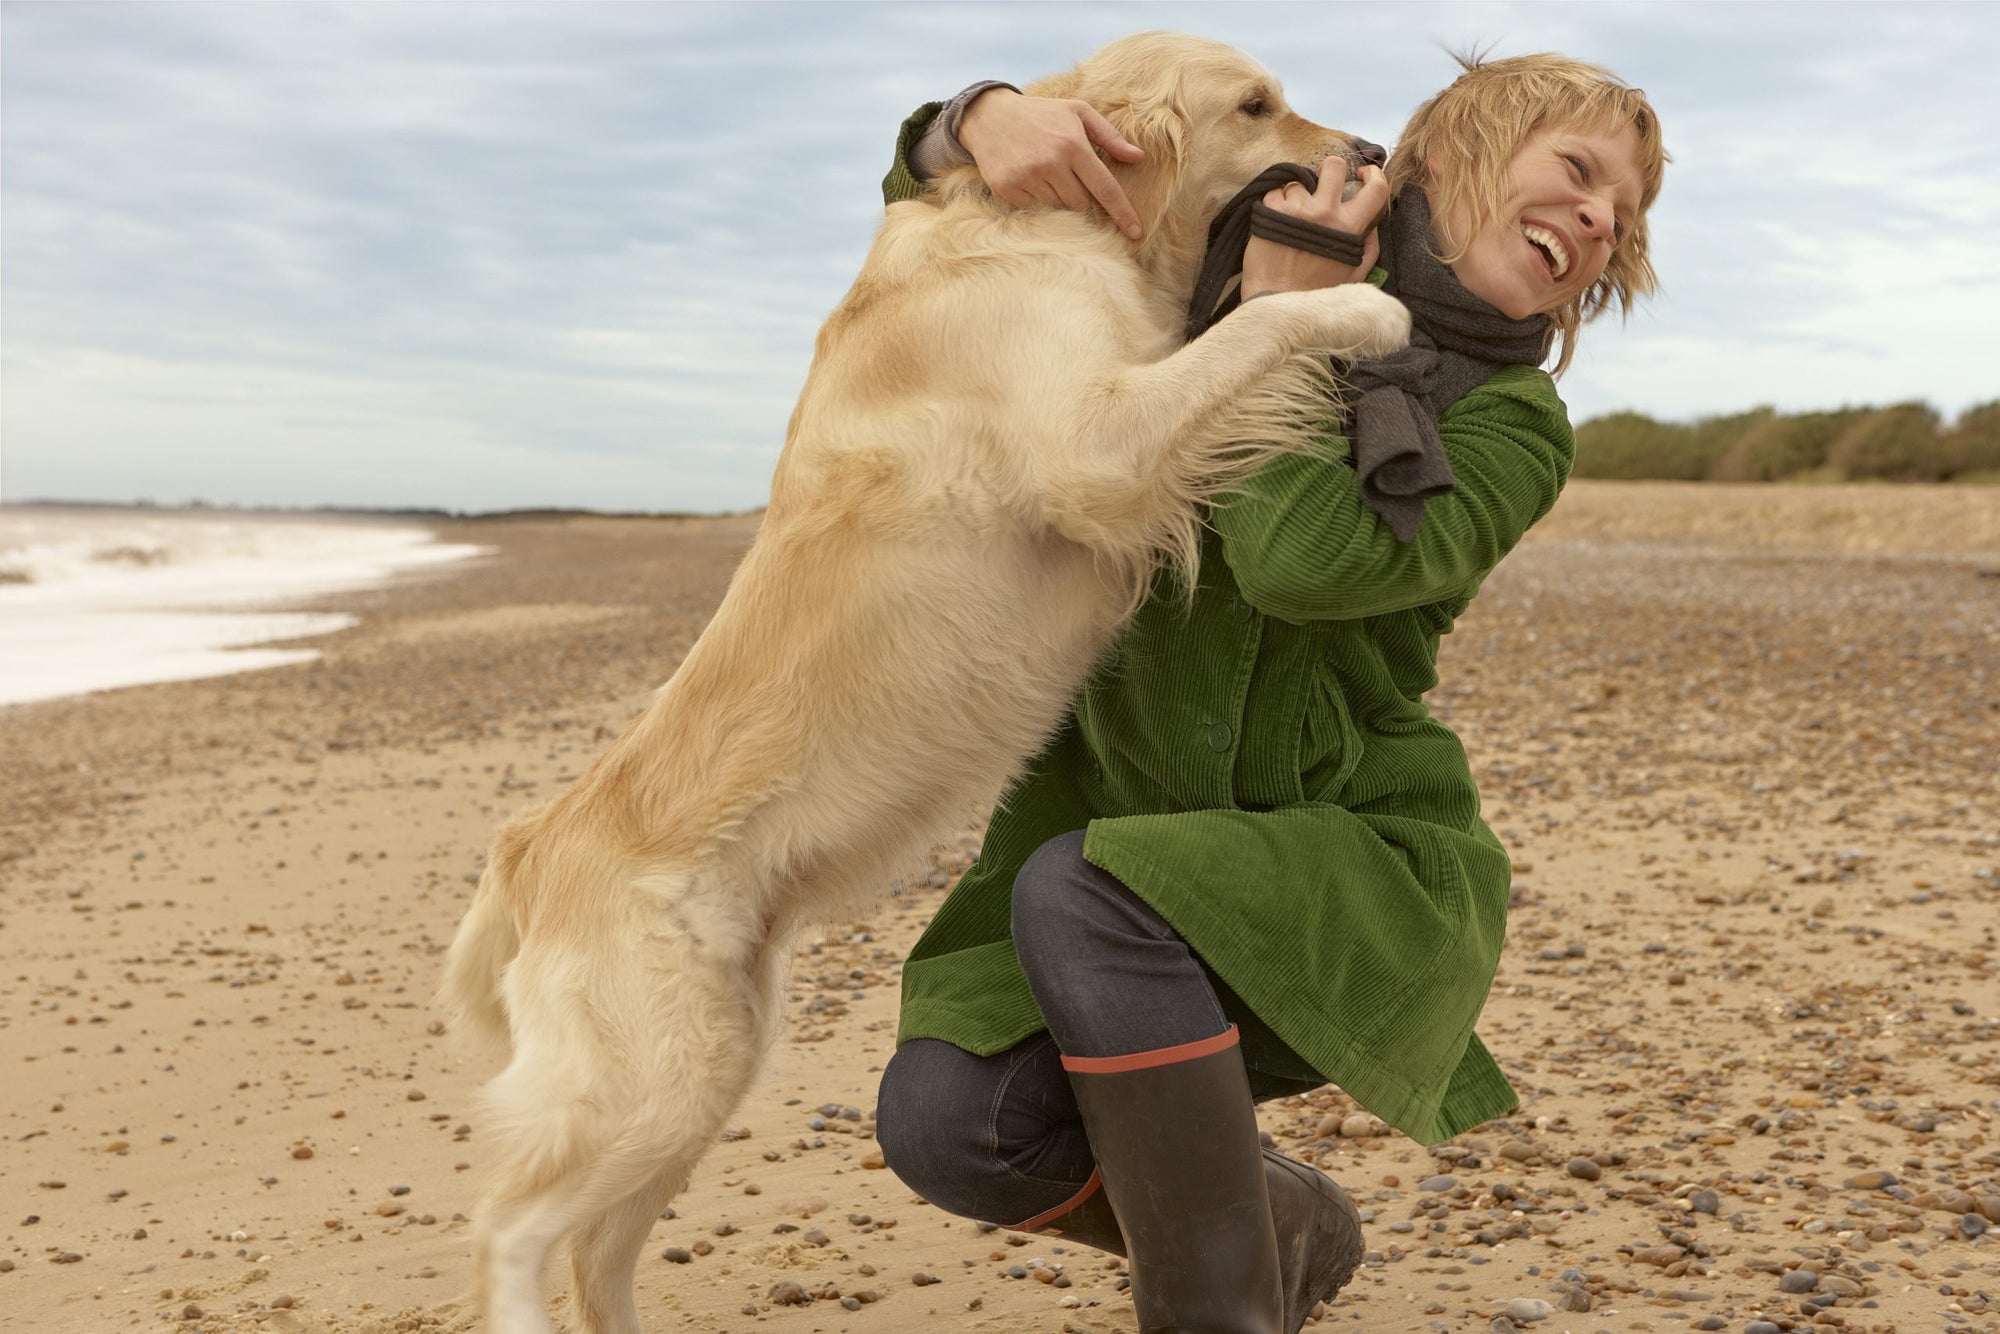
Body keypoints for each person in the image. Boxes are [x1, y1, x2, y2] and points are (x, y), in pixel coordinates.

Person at [871, 48, 1666, 1334]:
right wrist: (972, 120)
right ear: (1447, 152)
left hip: (1344, 865)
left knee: (1086, 885)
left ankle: (1217, 1311)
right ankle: (1277, 1216)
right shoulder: (1232, 240)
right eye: (1576, 169)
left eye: (1619, 215)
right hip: (1114, 832)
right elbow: (959, 224)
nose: (1595, 215)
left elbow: (1306, 563)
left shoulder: (1514, 421)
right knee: (949, 1124)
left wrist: (1275, 328)